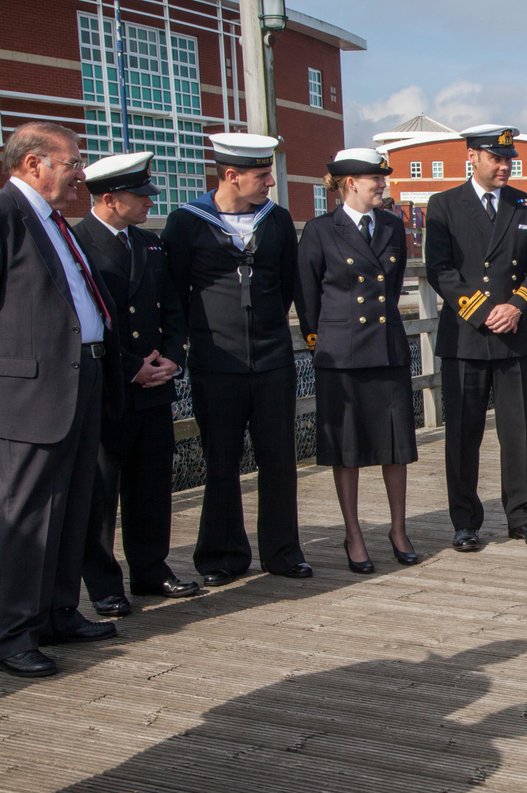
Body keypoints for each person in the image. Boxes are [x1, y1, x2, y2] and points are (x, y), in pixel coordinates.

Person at [0, 122, 123, 678]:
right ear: (33, 165)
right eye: (72, 162)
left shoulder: (55, 222)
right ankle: (13, 633)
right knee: (27, 516)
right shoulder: (8, 214)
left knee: (74, 506)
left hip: (81, 378)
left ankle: (57, 612)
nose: (80, 171)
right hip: (29, 392)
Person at [162, 132, 312, 586]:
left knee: (279, 458)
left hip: (271, 360)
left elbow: (290, 283)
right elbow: (172, 292)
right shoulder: (187, 221)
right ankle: (222, 556)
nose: (270, 182)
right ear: (231, 175)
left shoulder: (278, 220)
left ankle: (282, 552)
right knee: (222, 460)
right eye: (262, 175)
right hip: (215, 361)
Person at [76, 152, 199, 618]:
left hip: (155, 387)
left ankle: (151, 569)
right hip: (110, 388)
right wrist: (130, 366)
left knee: (151, 486)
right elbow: (83, 320)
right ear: (110, 199)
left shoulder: (148, 244)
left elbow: (172, 307)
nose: (150, 204)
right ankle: (105, 584)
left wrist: (172, 355)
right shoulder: (78, 243)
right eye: (140, 196)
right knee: (103, 492)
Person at [425, 125, 527, 552]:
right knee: (463, 435)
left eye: (508, 160)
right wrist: (483, 311)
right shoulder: (444, 205)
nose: (504, 166)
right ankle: (465, 522)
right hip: (465, 336)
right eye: (496, 159)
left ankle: (522, 517)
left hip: (513, 334)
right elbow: (440, 270)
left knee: (516, 434)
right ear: (473, 158)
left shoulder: (525, 203)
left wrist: (518, 304)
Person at [295, 148, 418, 573]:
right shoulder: (320, 230)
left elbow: (396, 280)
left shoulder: (390, 225)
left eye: (381, 178)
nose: (382, 185)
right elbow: (308, 297)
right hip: (342, 354)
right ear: (350, 184)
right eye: (374, 179)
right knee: (346, 451)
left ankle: (398, 530)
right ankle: (354, 534)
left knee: (396, 445)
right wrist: (322, 341)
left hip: (385, 349)